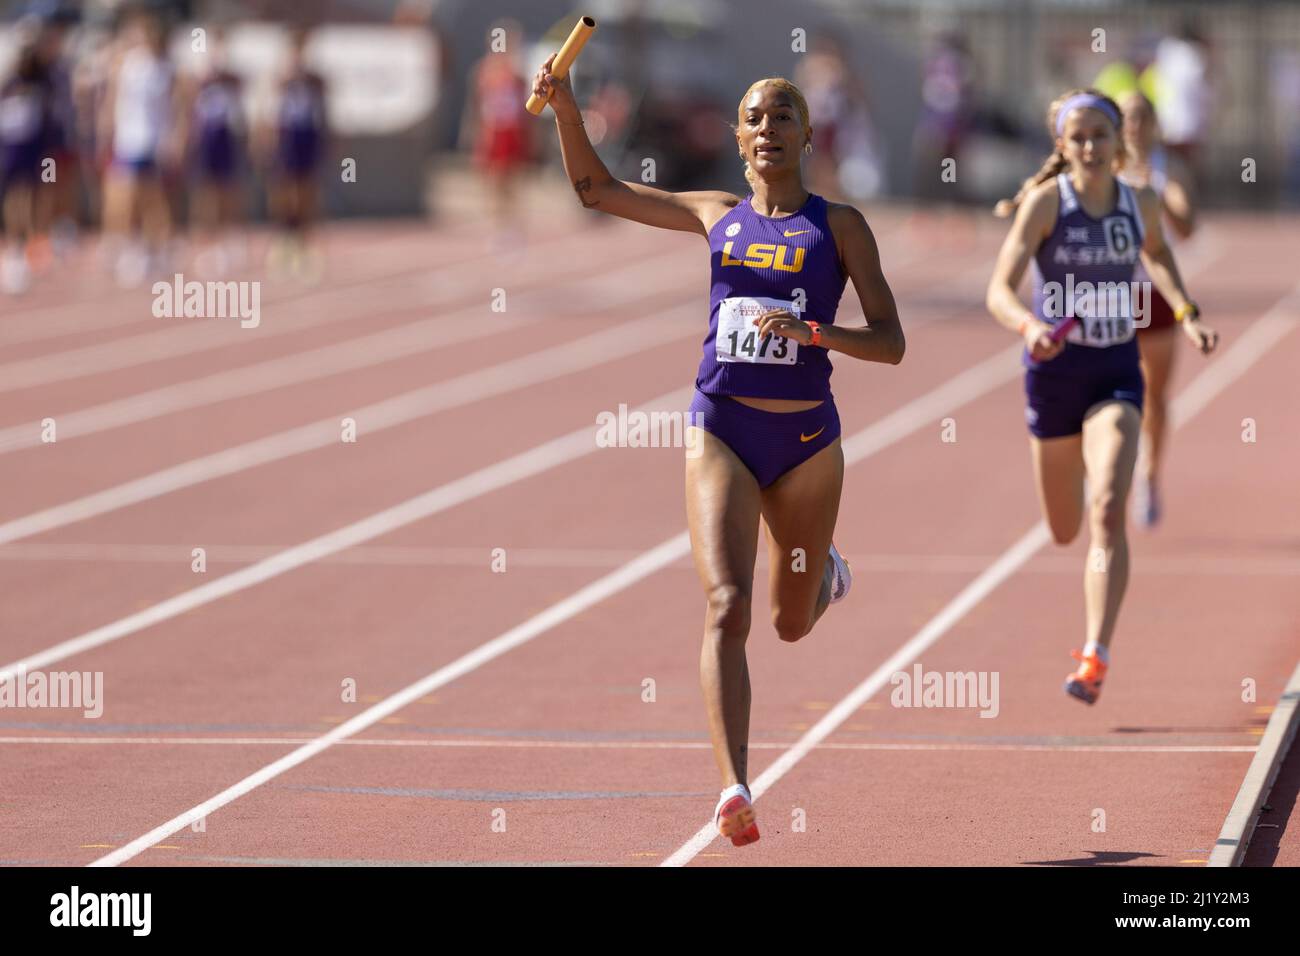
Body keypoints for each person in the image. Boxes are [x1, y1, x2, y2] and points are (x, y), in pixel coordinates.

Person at [531, 55, 905, 845]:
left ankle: (823, 570)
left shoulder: (840, 227)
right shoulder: (715, 213)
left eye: (784, 116)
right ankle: (735, 784)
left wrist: (816, 333)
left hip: (806, 442)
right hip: (721, 430)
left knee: (790, 624)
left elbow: (892, 341)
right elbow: (597, 191)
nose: (769, 127)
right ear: (739, 139)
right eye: (756, 117)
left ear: (807, 135)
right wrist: (567, 110)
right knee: (726, 606)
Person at [986, 89, 1217, 705]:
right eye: (1078, 137)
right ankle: (1080, 480)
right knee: (1064, 529)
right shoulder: (1043, 205)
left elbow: (1161, 254)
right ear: (1062, 145)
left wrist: (1187, 311)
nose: (1090, 147)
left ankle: (1095, 653)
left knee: (1108, 507)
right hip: (1054, 376)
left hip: (1115, 368)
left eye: (1100, 136)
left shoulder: (1137, 201)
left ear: (1120, 145)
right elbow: (999, 290)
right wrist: (1029, 326)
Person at [1117, 91, 1197, 527]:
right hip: (1110, 294)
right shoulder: (1101, 167)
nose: (1134, 125)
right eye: (1126, 117)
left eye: (1141, 117)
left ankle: (1149, 475)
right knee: (1107, 389)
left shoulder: (1170, 170)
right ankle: (1111, 468)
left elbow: (1186, 229)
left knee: (1155, 396)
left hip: (1156, 296)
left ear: (1152, 124)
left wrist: (1157, 195)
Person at [0, 41, 54, 295]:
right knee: (13, 197)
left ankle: (35, 244)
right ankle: (15, 247)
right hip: (10, 150)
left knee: (36, 195)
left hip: (38, 152)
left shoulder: (43, 84)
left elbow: (47, 119)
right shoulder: (9, 85)